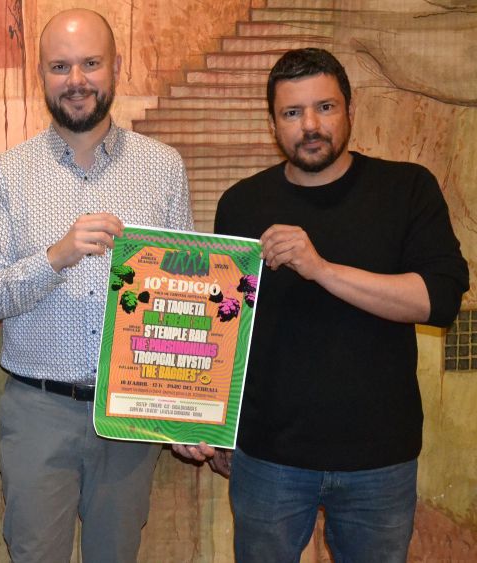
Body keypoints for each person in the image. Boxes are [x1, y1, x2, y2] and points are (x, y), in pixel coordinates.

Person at [174, 48, 468, 561]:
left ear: (350, 109)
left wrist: (321, 269)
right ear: (273, 124)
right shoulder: (241, 203)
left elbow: (438, 299)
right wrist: (212, 426)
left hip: (379, 458)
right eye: (292, 112)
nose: (310, 125)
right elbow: (225, 328)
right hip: (267, 456)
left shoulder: (407, 188)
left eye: (325, 107)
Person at [0, 9, 194, 562]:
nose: (76, 80)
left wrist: (186, 409)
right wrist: (56, 257)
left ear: (117, 67)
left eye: (91, 63)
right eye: (60, 66)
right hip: (38, 410)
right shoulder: (6, 174)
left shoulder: (163, 168)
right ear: (40, 76)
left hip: (131, 414)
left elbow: (183, 301)